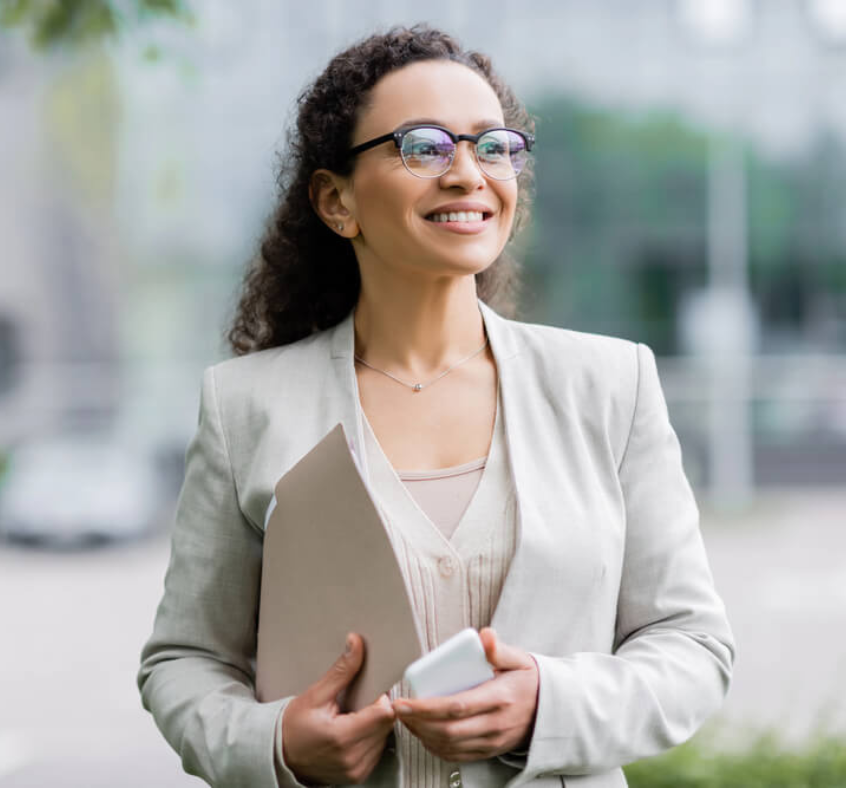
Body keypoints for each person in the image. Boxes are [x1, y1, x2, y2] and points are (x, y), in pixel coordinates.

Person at [137, 25, 734, 788]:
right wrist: (276, 744)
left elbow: (691, 645)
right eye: (424, 146)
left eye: (493, 146)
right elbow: (185, 660)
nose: (467, 173)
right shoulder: (245, 407)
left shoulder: (610, 387)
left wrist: (549, 706)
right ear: (335, 199)